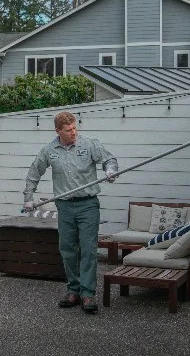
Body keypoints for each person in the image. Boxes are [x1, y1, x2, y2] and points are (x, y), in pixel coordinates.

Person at [23, 111, 118, 314]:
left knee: (88, 249)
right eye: (68, 130)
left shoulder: (90, 145)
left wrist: (110, 171)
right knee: (67, 249)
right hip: (64, 206)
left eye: (75, 128)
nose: (73, 132)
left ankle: (87, 294)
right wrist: (28, 198)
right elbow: (34, 173)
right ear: (58, 131)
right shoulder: (49, 150)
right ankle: (73, 290)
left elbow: (109, 159)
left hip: (88, 204)